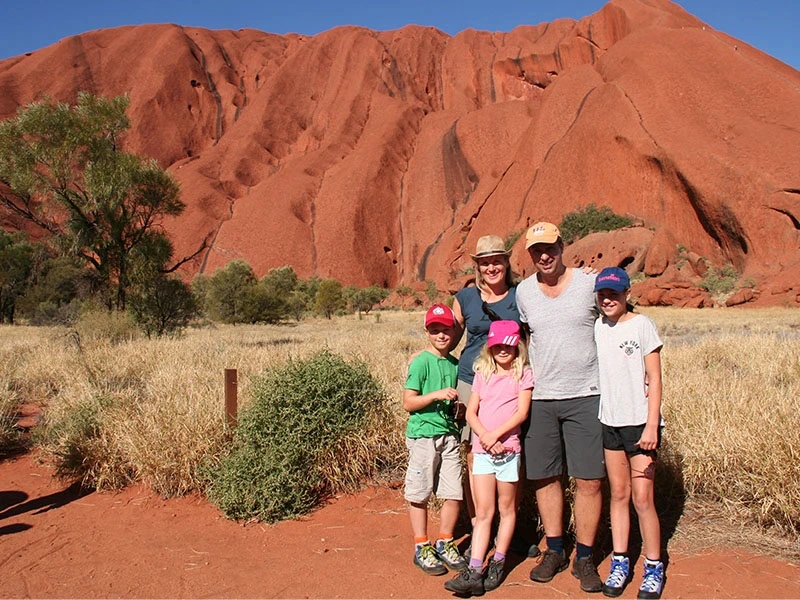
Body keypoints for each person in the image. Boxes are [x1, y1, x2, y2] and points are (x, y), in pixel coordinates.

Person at [516, 221, 605, 593]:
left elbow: (617, 322)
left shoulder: (589, 284)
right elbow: (522, 339)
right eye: (537, 250)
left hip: (586, 394)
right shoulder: (523, 292)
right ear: (530, 255)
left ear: (562, 245)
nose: (545, 255)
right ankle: (554, 549)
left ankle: (584, 557)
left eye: (550, 247)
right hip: (541, 397)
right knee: (546, 477)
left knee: (588, 479)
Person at [451, 235, 538, 558]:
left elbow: (534, 335)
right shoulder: (465, 298)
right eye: (485, 262)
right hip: (471, 383)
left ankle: (507, 528)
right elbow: (449, 339)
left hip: (512, 384)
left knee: (513, 456)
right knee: (475, 458)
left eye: (497, 260)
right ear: (477, 265)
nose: (491, 267)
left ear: (506, 262)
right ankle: (479, 528)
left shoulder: (520, 296)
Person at [444, 320, 533, 597]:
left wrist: (496, 436)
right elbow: (471, 413)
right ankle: (474, 569)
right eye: (497, 345)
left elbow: (521, 414)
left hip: (508, 450)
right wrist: (484, 436)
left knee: (507, 509)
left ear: (516, 346)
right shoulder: (483, 373)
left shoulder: (524, 374)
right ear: (490, 347)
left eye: (508, 344)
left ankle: (498, 562)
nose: (502, 350)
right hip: (484, 450)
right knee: (484, 512)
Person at [593, 267, 665, 600]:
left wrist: (652, 425)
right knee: (618, 495)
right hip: (610, 421)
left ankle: (653, 566)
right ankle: (620, 561)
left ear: (627, 294)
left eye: (614, 294)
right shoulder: (598, 326)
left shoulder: (642, 326)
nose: (608, 299)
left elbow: (655, 376)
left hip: (639, 424)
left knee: (642, 499)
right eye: (603, 294)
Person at [403, 303, 467, 576]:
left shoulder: (455, 364)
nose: (441, 335)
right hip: (423, 437)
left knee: (453, 492)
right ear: (427, 331)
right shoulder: (421, 362)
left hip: (449, 436)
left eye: (446, 330)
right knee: (420, 492)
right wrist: (437, 395)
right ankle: (421, 546)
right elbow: (408, 402)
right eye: (435, 330)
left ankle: (445, 540)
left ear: (454, 331)